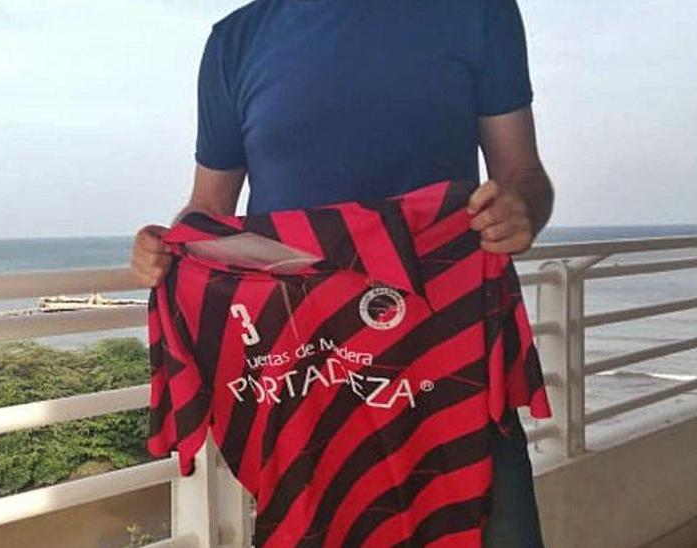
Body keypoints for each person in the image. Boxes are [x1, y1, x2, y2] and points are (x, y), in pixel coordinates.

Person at [128, 1, 554, 546]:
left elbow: (524, 175)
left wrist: (522, 209)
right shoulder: (235, 41)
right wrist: (166, 246)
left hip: (452, 371)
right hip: (310, 388)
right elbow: (207, 209)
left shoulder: (476, 10)